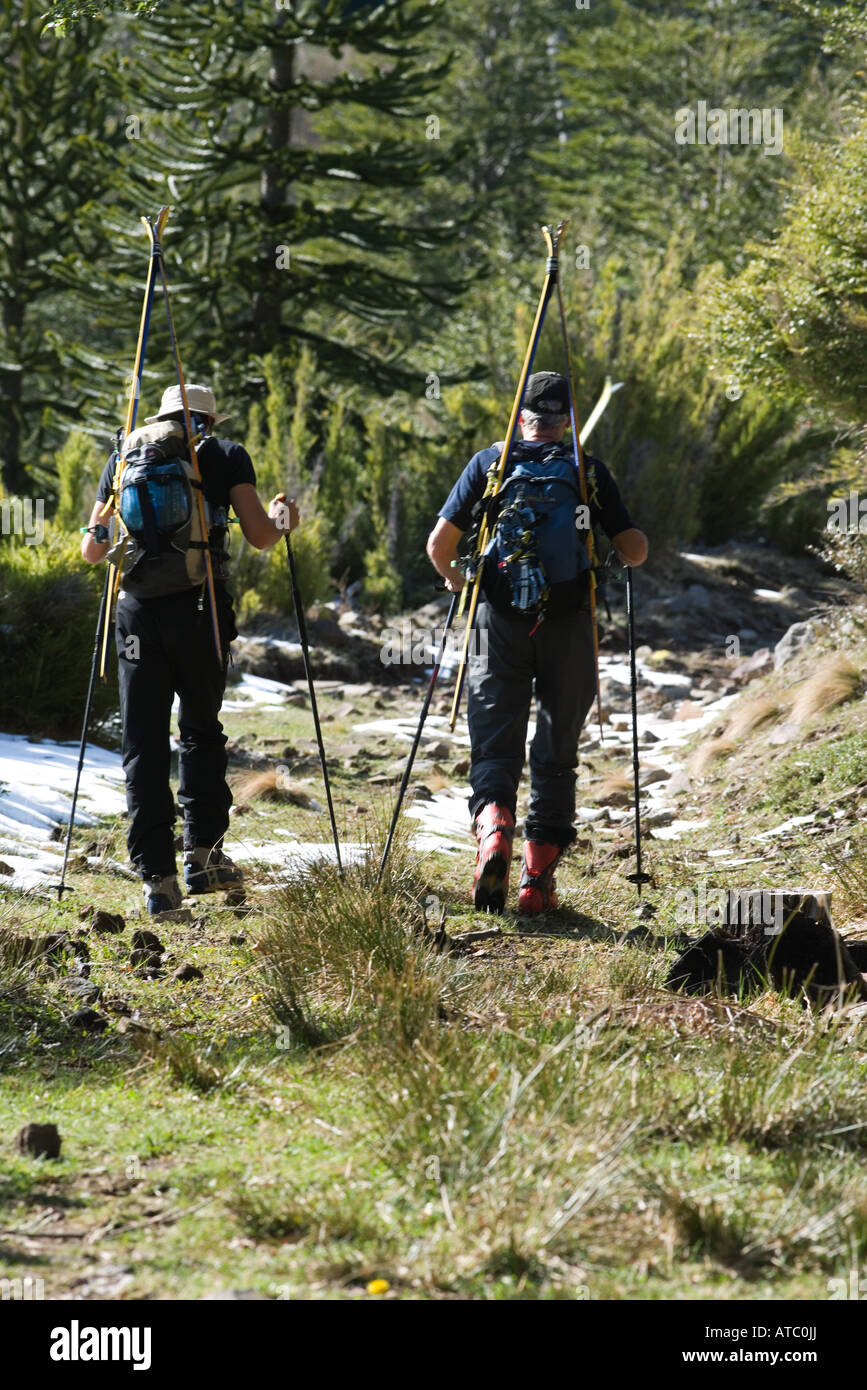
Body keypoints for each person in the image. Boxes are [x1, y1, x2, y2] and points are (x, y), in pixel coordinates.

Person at [426, 371, 648, 915]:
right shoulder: (587, 471)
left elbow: (439, 546)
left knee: (493, 742)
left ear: (520, 415)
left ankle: (494, 828)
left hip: (498, 620)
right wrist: (614, 545)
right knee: (555, 751)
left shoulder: (491, 464)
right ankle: (535, 883)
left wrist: (462, 581)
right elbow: (635, 550)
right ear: (568, 417)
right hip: (570, 622)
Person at [82, 383, 299, 915]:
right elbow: (259, 536)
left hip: (134, 613)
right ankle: (202, 857)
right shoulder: (224, 455)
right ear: (207, 420)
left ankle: (156, 879)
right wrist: (285, 515)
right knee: (200, 729)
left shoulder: (125, 453)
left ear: (161, 418)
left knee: (143, 739)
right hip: (199, 609)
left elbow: (92, 550)